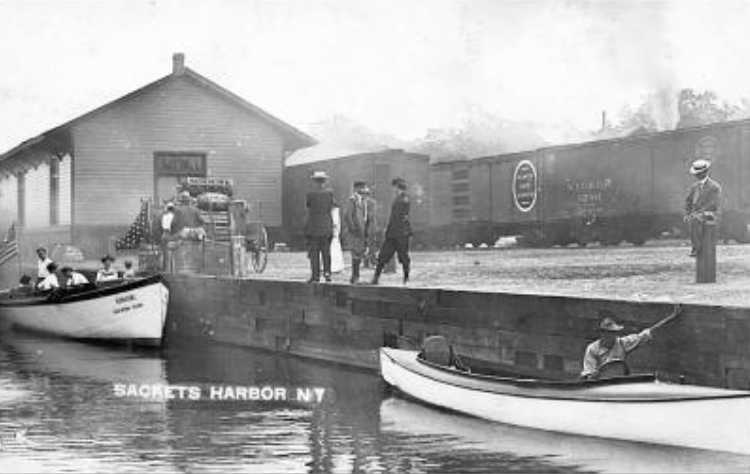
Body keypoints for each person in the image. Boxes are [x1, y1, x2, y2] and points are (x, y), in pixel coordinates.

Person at [580, 304, 683, 379]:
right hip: (600, 385)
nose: (612, 336)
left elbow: (647, 333)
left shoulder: (622, 343)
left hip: (620, 382)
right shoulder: (592, 349)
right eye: (608, 333)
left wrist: (672, 317)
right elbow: (589, 377)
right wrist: (595, 374)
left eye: (614, 333)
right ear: (602, 334)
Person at [371, 177, 412, 285]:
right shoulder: (399, 198)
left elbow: (400, 215)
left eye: (394, 187)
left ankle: (406, 279)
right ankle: (376, 278)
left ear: (397, 187)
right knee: (383, 255)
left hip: (400, 233)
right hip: (394, 233)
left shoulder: (404, 198)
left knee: (403, 256)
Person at [304, 171, 338, 283]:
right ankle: (327, 273)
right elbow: (332, 206)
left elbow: (308, 206)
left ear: (314, 181)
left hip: (313, 227)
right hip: (326, 226)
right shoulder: (329, 193)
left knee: (314, 254)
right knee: (326, 252)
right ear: (324, 181)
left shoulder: (310, 193)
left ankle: (315, 276)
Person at [684, 159, 722, 257]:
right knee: (692, 219)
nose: (696, 175)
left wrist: (698, 213)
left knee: (695, 219)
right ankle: (696, 247)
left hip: (711, 213)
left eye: (699, 173)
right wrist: (687, 213)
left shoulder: (714, 187)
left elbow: (713, 204)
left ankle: (696, 248)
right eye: (696, 173)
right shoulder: (694, 187)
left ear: (705, 172)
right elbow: (688, 201)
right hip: (698, 214)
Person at [344, 181, 370, 284]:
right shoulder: (352, 200)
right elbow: (347, 215)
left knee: (359, 253)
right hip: (355, 231)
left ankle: (355, 277)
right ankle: (355, 277)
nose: (364, 190)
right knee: (356, 253)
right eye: (362, 188)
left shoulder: (362, 200)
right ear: (357, 188)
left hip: (361, 230)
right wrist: (353, 228)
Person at [363, 185, 378, 269]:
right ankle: (365, 262)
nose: (364, 195)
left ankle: (373, 261)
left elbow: (371, 215)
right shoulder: (360, 202)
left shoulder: (372, 202)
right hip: (363, 226)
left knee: (371, 245)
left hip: (370, 226)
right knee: (363, 244)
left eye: (365, 194)